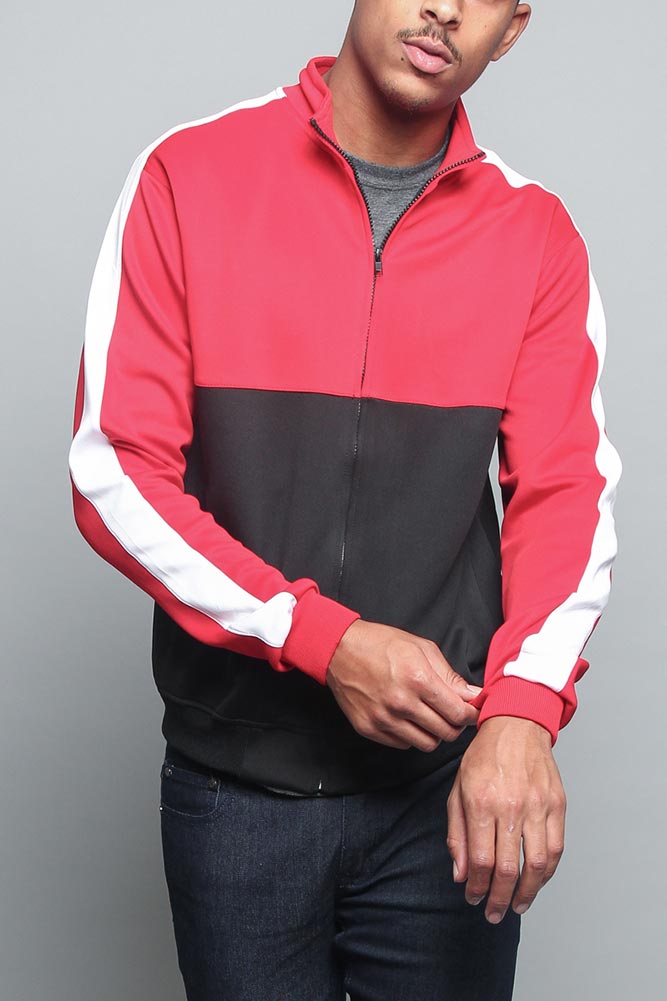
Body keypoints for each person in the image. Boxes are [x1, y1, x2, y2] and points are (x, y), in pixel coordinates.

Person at [69, 1, 621, 998]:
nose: (445, 8)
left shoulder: (534, 233)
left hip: (440, 796)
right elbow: (116, 471)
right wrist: (321, 636)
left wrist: (523, 711)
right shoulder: (187, 175)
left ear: (510, 31)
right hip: (235, 792)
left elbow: (564, 493)